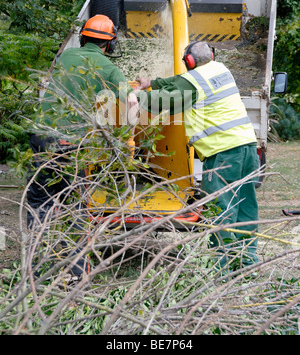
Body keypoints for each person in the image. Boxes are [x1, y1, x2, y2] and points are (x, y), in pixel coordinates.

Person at [27, 14, 138, 280]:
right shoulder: (109, 68)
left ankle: (36, 268)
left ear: (83, 37)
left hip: (41, 135)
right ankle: (75, 272)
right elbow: (132, 103)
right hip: (70, 142)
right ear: (108, 44)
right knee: (75, 203)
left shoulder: (65, 57)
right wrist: (129, 139)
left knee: (40, 200)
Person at [136, 41, 259, 269]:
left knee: (221, 210)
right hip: (248, 148)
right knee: (245, 206)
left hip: (223, 154)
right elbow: (179, 82)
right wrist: (151, 82)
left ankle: (221, 268)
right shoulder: (221, 70)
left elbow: (165, 101)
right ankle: (247, 263)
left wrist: (136, 97)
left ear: (189, 62)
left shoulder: (193, 83)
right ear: (211, 55)